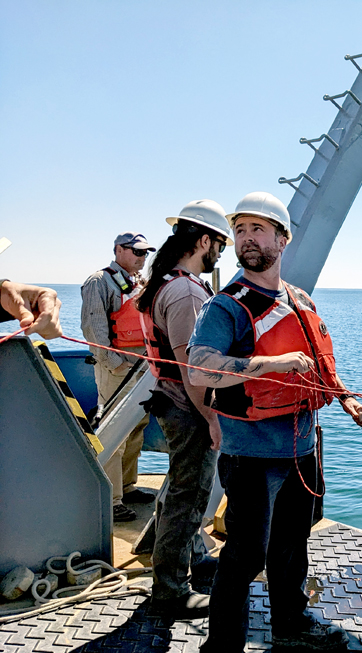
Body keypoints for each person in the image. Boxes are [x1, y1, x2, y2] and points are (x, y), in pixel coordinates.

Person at [187, 192, 362, 653]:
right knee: (242, 560)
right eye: (240, 230)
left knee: (292, 543)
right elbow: (199, 368)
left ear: (282, 240)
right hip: (252, 455)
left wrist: (345, 397)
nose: (247, 239)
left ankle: (290, 624)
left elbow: (319, 365)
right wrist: (268, 365)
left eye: (258, 230)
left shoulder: (301, 301)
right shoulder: (226, 307)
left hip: (302, 446)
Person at [136, 200, 233, 619]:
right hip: (188, 408)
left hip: (170, 399)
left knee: (180, 486)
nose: (220, 256)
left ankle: (191, 558)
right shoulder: (187, 292)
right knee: (187, 496)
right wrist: (212, 419)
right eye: (220, 247)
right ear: (205, 241)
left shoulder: (164, 284)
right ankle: (170, 591)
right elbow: (194, 368)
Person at [81, 232, 157, 522]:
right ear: (118, 250)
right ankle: (112, 500)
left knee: (136, 427)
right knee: (114, 430)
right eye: (137, 252)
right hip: (118, 369)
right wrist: (114, 364)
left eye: (145, 253)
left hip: (141, 368)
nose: (141, 258)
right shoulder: (98, 282)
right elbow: (93, 327)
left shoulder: (138, 283)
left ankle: (127, 486)